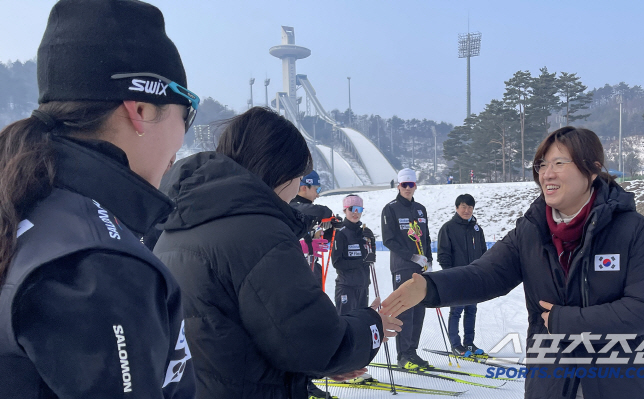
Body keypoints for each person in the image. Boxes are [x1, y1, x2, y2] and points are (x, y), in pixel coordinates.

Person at [381, 127, 644, 399]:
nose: (547, 174)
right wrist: (429, 287)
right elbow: (485, 274)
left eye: (559, 163)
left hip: (626, 382)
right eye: (541, 165)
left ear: (593, 169)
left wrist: (564, 321)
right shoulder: (531, 231)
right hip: (552, 381)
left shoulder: (631, 229)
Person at [0, 1, 198, 398]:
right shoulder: (100, 264)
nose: (181, 143)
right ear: (140, 109)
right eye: (186, 113)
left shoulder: (30, 208)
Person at [153, 107, 402, 399]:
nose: (297, 187)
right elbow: (314, 344)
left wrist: (318, 365)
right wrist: (372, 327)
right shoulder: (257, 232)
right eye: (298, 175)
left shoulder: (176, 225)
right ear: (280, 172)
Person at [380, 168, 433, 369]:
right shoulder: (391, 209)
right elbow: (389, 240)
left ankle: (412, 351)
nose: (408, 188)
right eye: (404, 185)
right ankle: (403, 355)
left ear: (415, 186)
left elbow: (426, 237)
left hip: (421, 266)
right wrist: (412, 256)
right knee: (405, 310)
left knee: (419, 309)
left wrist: (429, 259)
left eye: (411, 185)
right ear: (398, 186)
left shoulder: (420, 208)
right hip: (403, 266)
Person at [437, 194, 487, 357]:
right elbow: (443, 254)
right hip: (457, 276)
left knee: (471, 310)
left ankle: (469, 343)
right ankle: (456, 344)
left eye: (470, 207)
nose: (467, 210)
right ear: (457, 208)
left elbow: (484, 252)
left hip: (475, 276)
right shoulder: (448, 228)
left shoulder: (476, 229)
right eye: (464, 207)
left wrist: (483, 270)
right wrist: (449, 275)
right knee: (456, 311)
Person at [290, 170, 339, 286]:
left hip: (312, 267)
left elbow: (320, 240)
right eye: (317, 189)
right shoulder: (292, 206)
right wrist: (325, 211)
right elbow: (298, 208)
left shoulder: (311, 213)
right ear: (304, 188)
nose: (318, 194)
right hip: (295, 270)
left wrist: (332, 230)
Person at [332, 195, 376, 315]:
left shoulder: (364, 233)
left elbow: (371, 258)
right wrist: (361, 262)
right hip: (347, 286)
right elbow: (337, 263)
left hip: (363, 286)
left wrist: (372, 242)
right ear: (345, 210)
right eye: (352, 209)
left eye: (359, 209)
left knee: (360, 325)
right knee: (346, 324)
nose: (356, 213)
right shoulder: (341, 233)